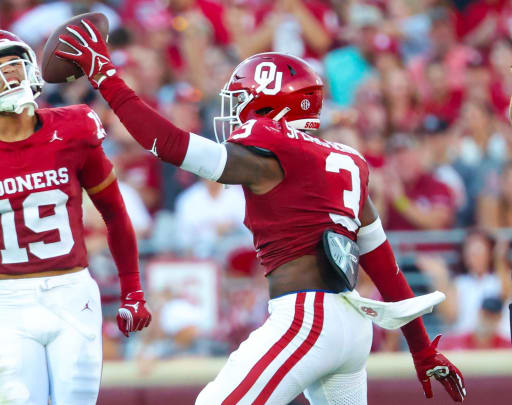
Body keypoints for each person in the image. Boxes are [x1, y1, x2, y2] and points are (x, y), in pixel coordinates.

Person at [56, 20, 466, 404]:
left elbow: (169, 143)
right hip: (352, 321)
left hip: (307, 318)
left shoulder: (270, 149)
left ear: (273, 107)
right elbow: (383, 264)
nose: (236, 114)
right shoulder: (346, 159)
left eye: (244, 102)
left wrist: (105, 75)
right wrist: (422, 348)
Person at [0, 29, 152, 405]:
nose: (11, 74)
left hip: (73, 295)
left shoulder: (74, 128)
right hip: (12, 302)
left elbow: (114, 213)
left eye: (15, 63)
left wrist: (132, 289)